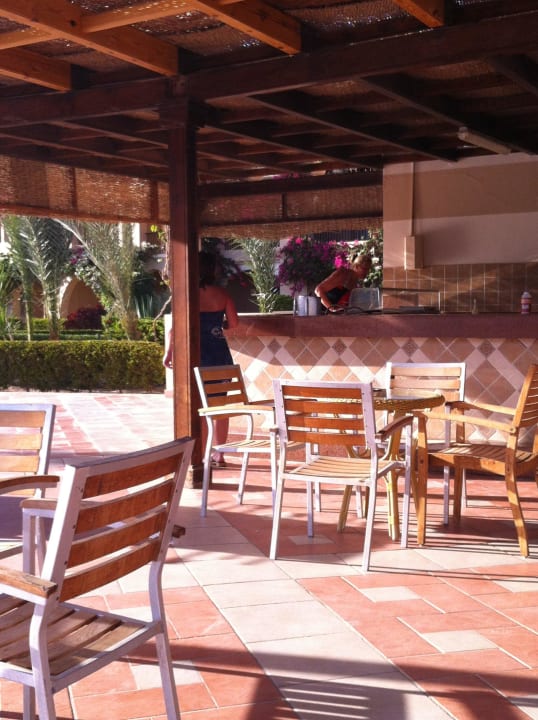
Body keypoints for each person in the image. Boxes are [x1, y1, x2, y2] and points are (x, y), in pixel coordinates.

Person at [163, 250, 239, 467]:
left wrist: (168, 353)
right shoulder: (222, 294)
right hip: (220, 356)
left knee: (201, 408)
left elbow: (175, 329)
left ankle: (203, 456)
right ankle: (220, 455)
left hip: (197, 356)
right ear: (212, 270)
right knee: (220, 406)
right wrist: (218, 325)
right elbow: (234, 323)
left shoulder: (187, 294)